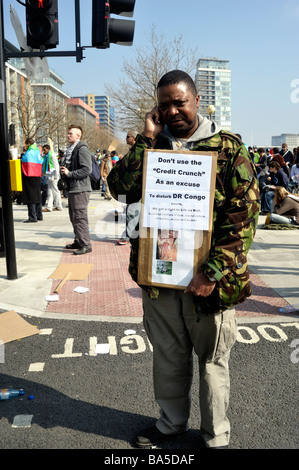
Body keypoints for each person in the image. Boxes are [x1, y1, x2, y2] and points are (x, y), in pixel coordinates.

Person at [107, 70, 260, 449]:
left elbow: (244, 218)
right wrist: (146, 138)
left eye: (180, 102)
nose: (173, 110)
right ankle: (171, 424)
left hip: (209, 282)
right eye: (164, 105)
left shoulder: (228, 150)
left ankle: (214, 435)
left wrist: (211, 272)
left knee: (211, 363)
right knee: (169, 359)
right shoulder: (153, 146)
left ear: (195, 100)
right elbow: (118, 187)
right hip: (161, 277)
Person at [60, 125, 92, 255]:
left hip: (80, 188)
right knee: (74, 217)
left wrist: (69, 173)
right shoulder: (70, 150)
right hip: (73, 189)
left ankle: (86, 244)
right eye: (68, 133)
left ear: (78, 136)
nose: (68, 135)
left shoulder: (82, 149)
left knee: (80, 217)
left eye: (70, 134)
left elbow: (87, 169)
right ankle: (78, 240)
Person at [117, 130, 138, 245]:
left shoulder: (139, 151)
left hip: (135, 187)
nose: (126, 139)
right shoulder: (133, 151)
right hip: (129, 188)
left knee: (132, 211)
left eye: (128, 137)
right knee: (130, 211)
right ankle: (129, 234)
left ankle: (127, 236)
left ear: (134, 138)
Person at [21, 137, 43, 223]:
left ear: (28, 144)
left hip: (30, 175)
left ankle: (32, 217)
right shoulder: (37, 151)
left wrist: (22, 156)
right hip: (38, 175)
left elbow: (23, 161)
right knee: (37, 194)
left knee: (30, 196)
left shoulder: (29, 152)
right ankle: (39, 215)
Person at [42, 144, 63, 212]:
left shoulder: (52, 155)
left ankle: (58, 206)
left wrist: (56, 176)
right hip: (49, 176)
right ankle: (49, 207)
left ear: (48, 149)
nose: (43, 151)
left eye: (44, 150)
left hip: (53, 176)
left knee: (55, 191)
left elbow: (56, 165)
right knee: (50, 192)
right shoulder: (46, 156)